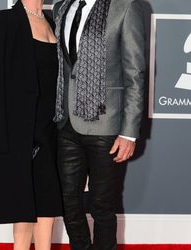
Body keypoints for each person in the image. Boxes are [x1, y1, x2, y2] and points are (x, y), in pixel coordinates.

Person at [53, 0, 146, 249]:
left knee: (101, 205)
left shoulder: (125, 7)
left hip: (106, 124)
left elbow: (134, 74)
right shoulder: (62, 7)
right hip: (66, 123)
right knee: (67, 202)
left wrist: (129, 134)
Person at [0, 0, 63, 249]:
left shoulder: (52, 22)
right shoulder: (5, 20)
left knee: (48, 202)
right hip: (20, 131)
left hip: (51, 129)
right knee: (22, 206)